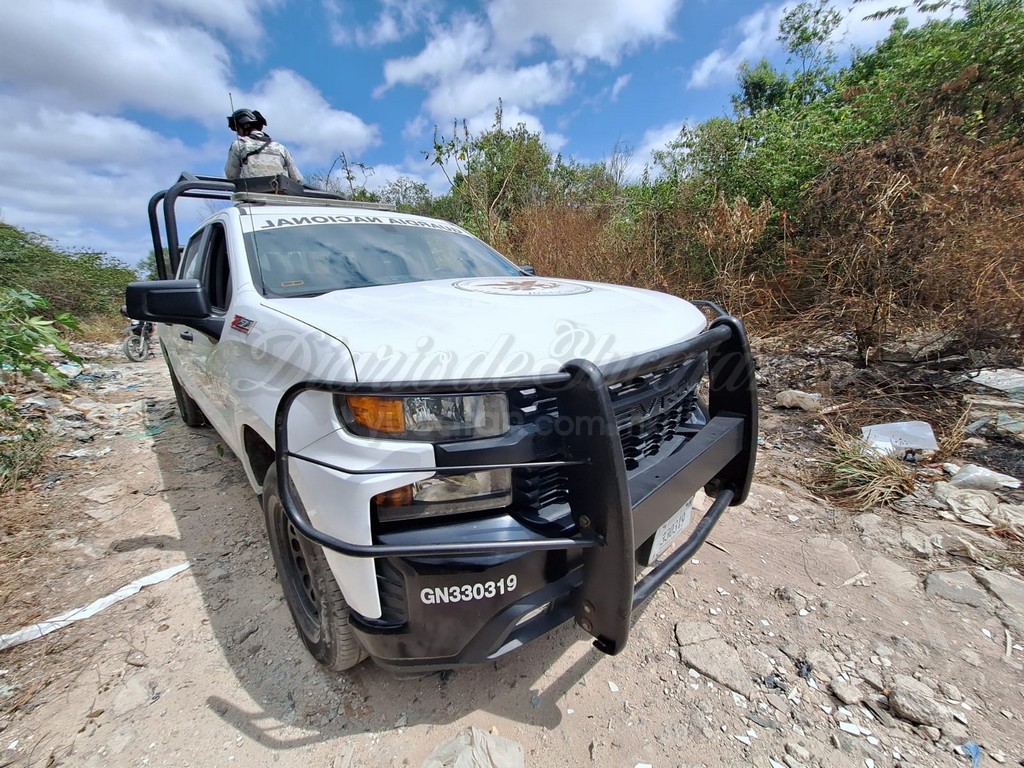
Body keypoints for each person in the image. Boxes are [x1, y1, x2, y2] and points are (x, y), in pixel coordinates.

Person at [224, 109, 303, 183]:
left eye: (238, 129)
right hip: (279, 196)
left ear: (246, 126)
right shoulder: (280, 148)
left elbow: (231, 176)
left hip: (250, 196)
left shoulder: (238, 145)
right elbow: (298, 179)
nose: (238, 133)